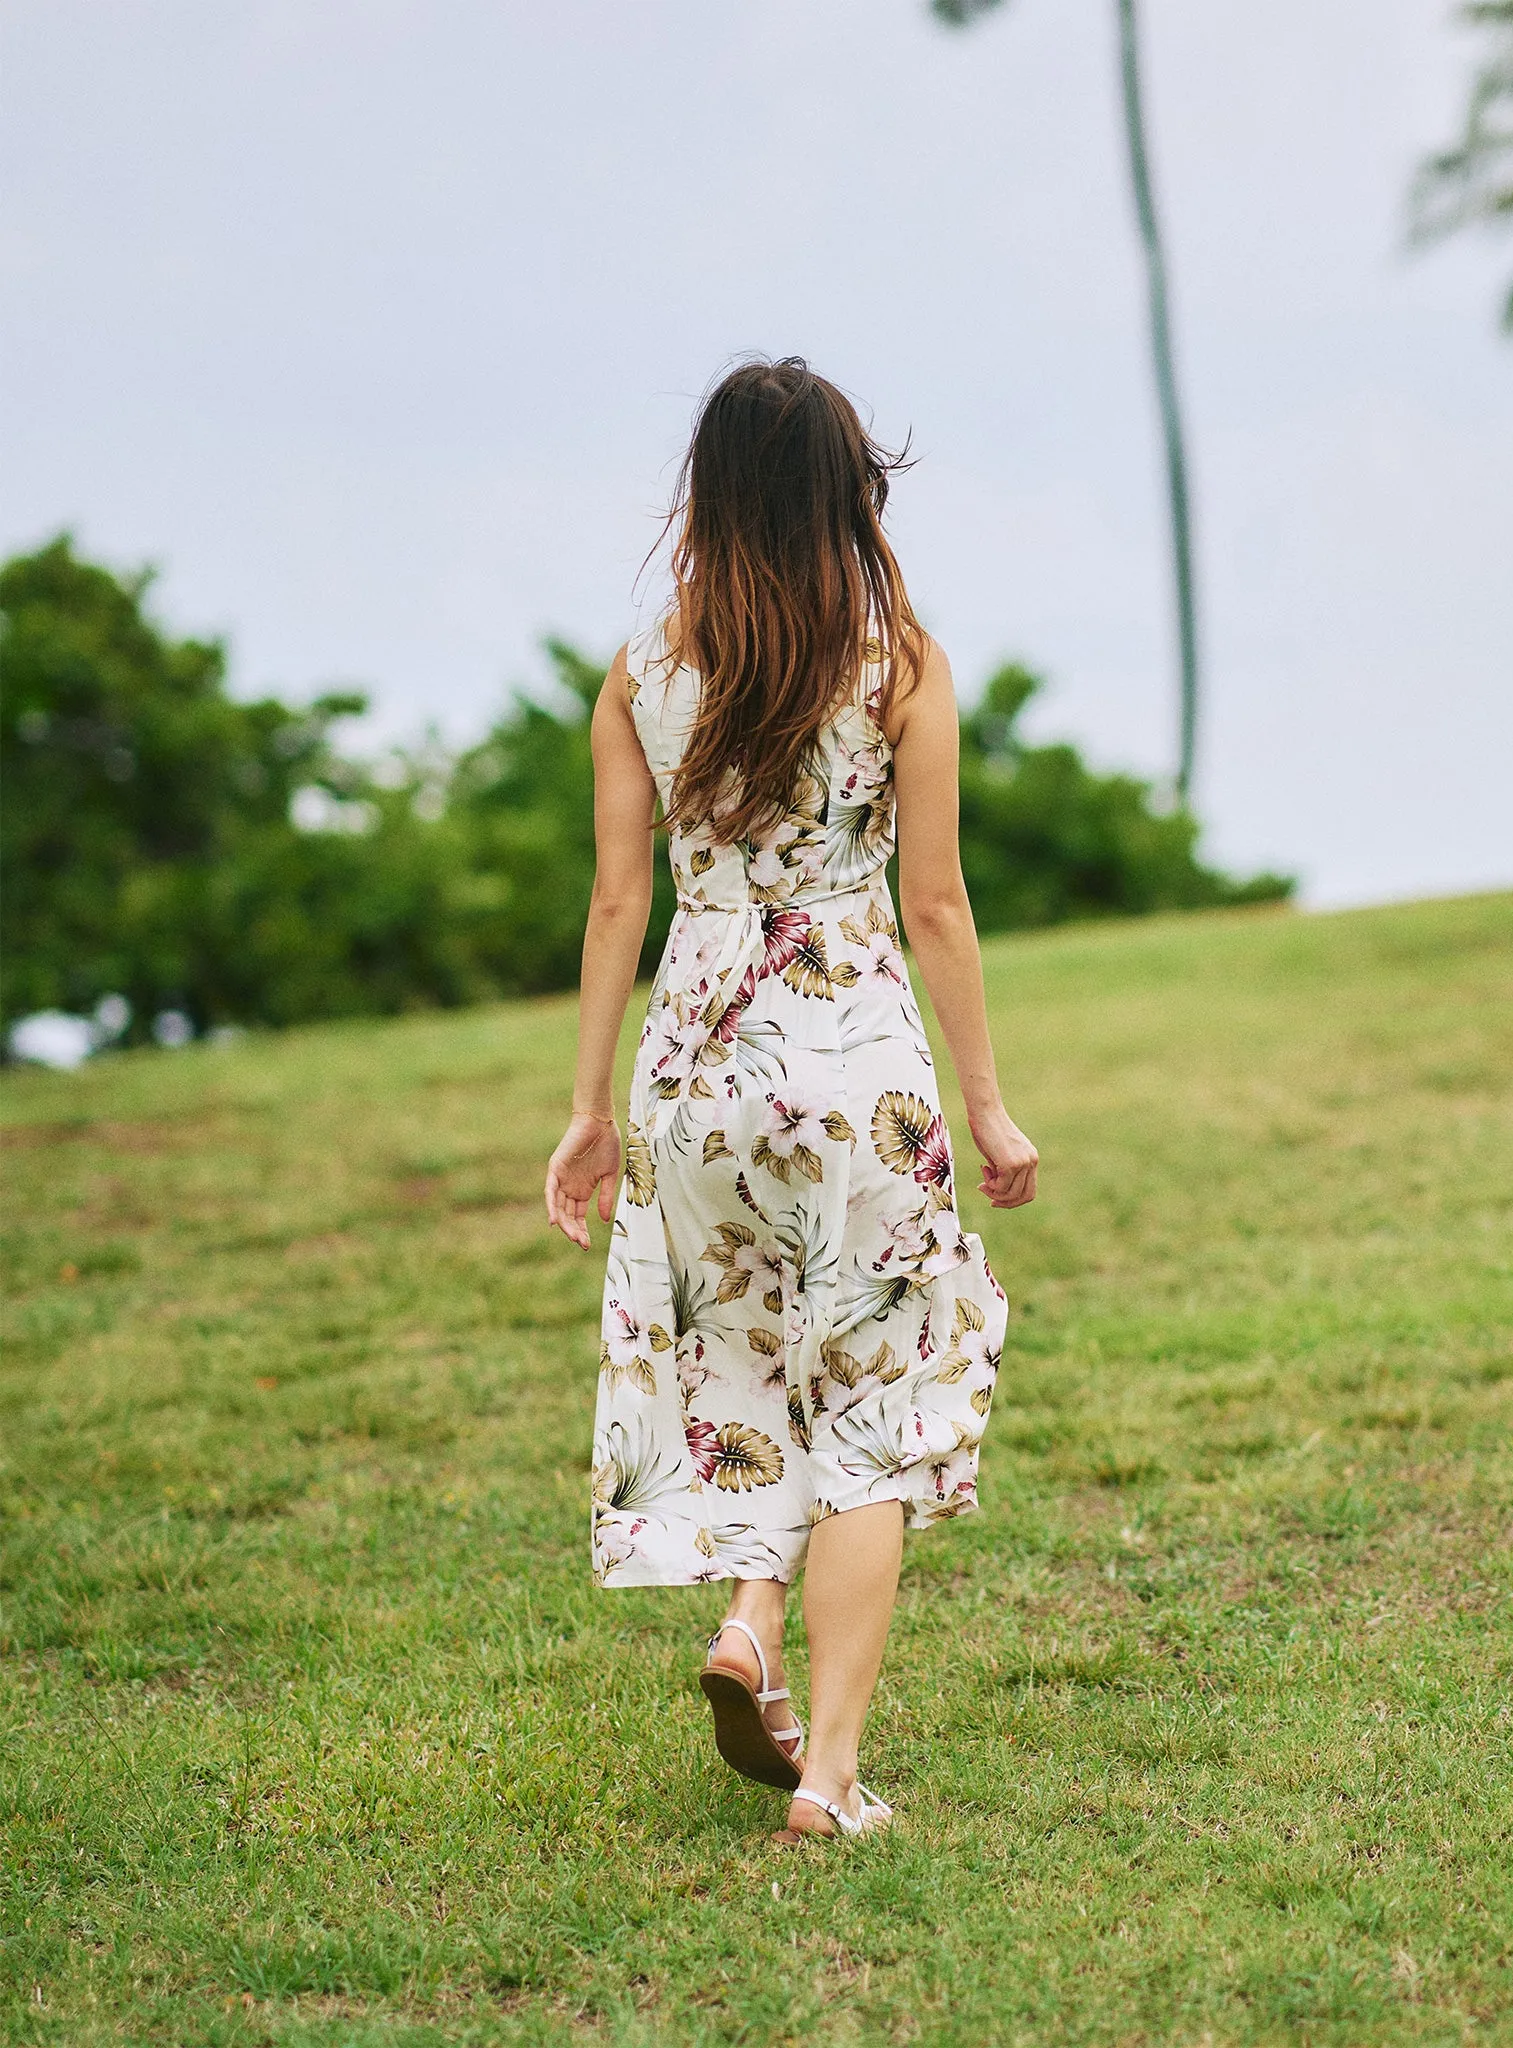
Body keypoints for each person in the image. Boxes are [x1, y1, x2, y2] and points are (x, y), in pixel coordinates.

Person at [543, 357, 1037, 1845]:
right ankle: (826, 1778)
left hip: (694, 1074)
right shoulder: (898, 663)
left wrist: (586, 1116)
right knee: (876, 1409)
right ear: (845, 490)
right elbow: (935, 904)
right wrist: (993, 1108)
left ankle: (749, 1624)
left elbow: (616, 901)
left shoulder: (640, 671)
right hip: (851, 1071)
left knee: (749, 1377)